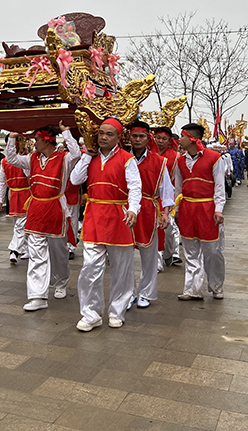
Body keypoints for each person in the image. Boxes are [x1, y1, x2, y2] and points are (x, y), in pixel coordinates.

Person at [69, 117, 141, 331]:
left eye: (109, 134)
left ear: (119, 138)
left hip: (119, 215)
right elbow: (74, 180)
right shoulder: (89, 158)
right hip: (94, 215)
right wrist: (85, 158)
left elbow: (135, 187)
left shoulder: (127, 159)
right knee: (90, 267)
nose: (103, 137)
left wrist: (133, 209)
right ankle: (91, 314)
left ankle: (117, 310)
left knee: (121, 269)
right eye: (101, 133)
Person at [5, 122, 80, 312]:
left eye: (37, 139)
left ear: (47, 140)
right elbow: (11, 158)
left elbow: (77, 154)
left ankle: (61, 282)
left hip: (56, 208)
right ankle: (37, 296)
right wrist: (13, 136)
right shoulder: (32, 158)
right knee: (37, 254)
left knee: (58, 252)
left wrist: (66, 132)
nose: (34, 143)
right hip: (36, 209)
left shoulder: (64, 159)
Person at [173, 123, 226, 301]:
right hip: (188, 208)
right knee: (190, 250)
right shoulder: (180, 161)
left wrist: (219, 210)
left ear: (192, 138)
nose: (179, 140)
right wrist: (177, 210)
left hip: (208, 208)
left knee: (212, 250)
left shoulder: (214, 158)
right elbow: (178, 189)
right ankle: (192, 288)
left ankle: (216, 285)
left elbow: (220, 186)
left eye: (182, 136)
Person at [127, 121, 174, 310]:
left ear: (148, 138)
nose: (138, 139)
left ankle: (145, 293)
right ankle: (128, 293)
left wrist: (165, 212)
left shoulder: (159, 161)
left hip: (149, 209)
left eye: (142, 136)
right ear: (129, 137)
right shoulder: (122, 158)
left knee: (149, 255)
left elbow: (167, 189)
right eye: (134, 136)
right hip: (126, 210)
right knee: (124, 256)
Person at [0, 134, 31, 264]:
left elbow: (29, 175)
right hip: (14, 195)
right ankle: (25, 248)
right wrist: (0, 198)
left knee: (21, 225)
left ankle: (14, 250)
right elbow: (2, 181)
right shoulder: (4, 162)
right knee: (18, 224)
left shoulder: (26, 159)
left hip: (26, 194)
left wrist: (23, 159)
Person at [154, 126, 182, 267]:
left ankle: (170, 253)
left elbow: (177, 180)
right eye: (158, 138)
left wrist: (176, 199)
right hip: (150, 196)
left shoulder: (176, 157)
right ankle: (157, 259)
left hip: (167, 196)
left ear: (169, 140)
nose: (160, 141)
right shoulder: (148, 153)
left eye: (164, 139)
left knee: (169, 228)